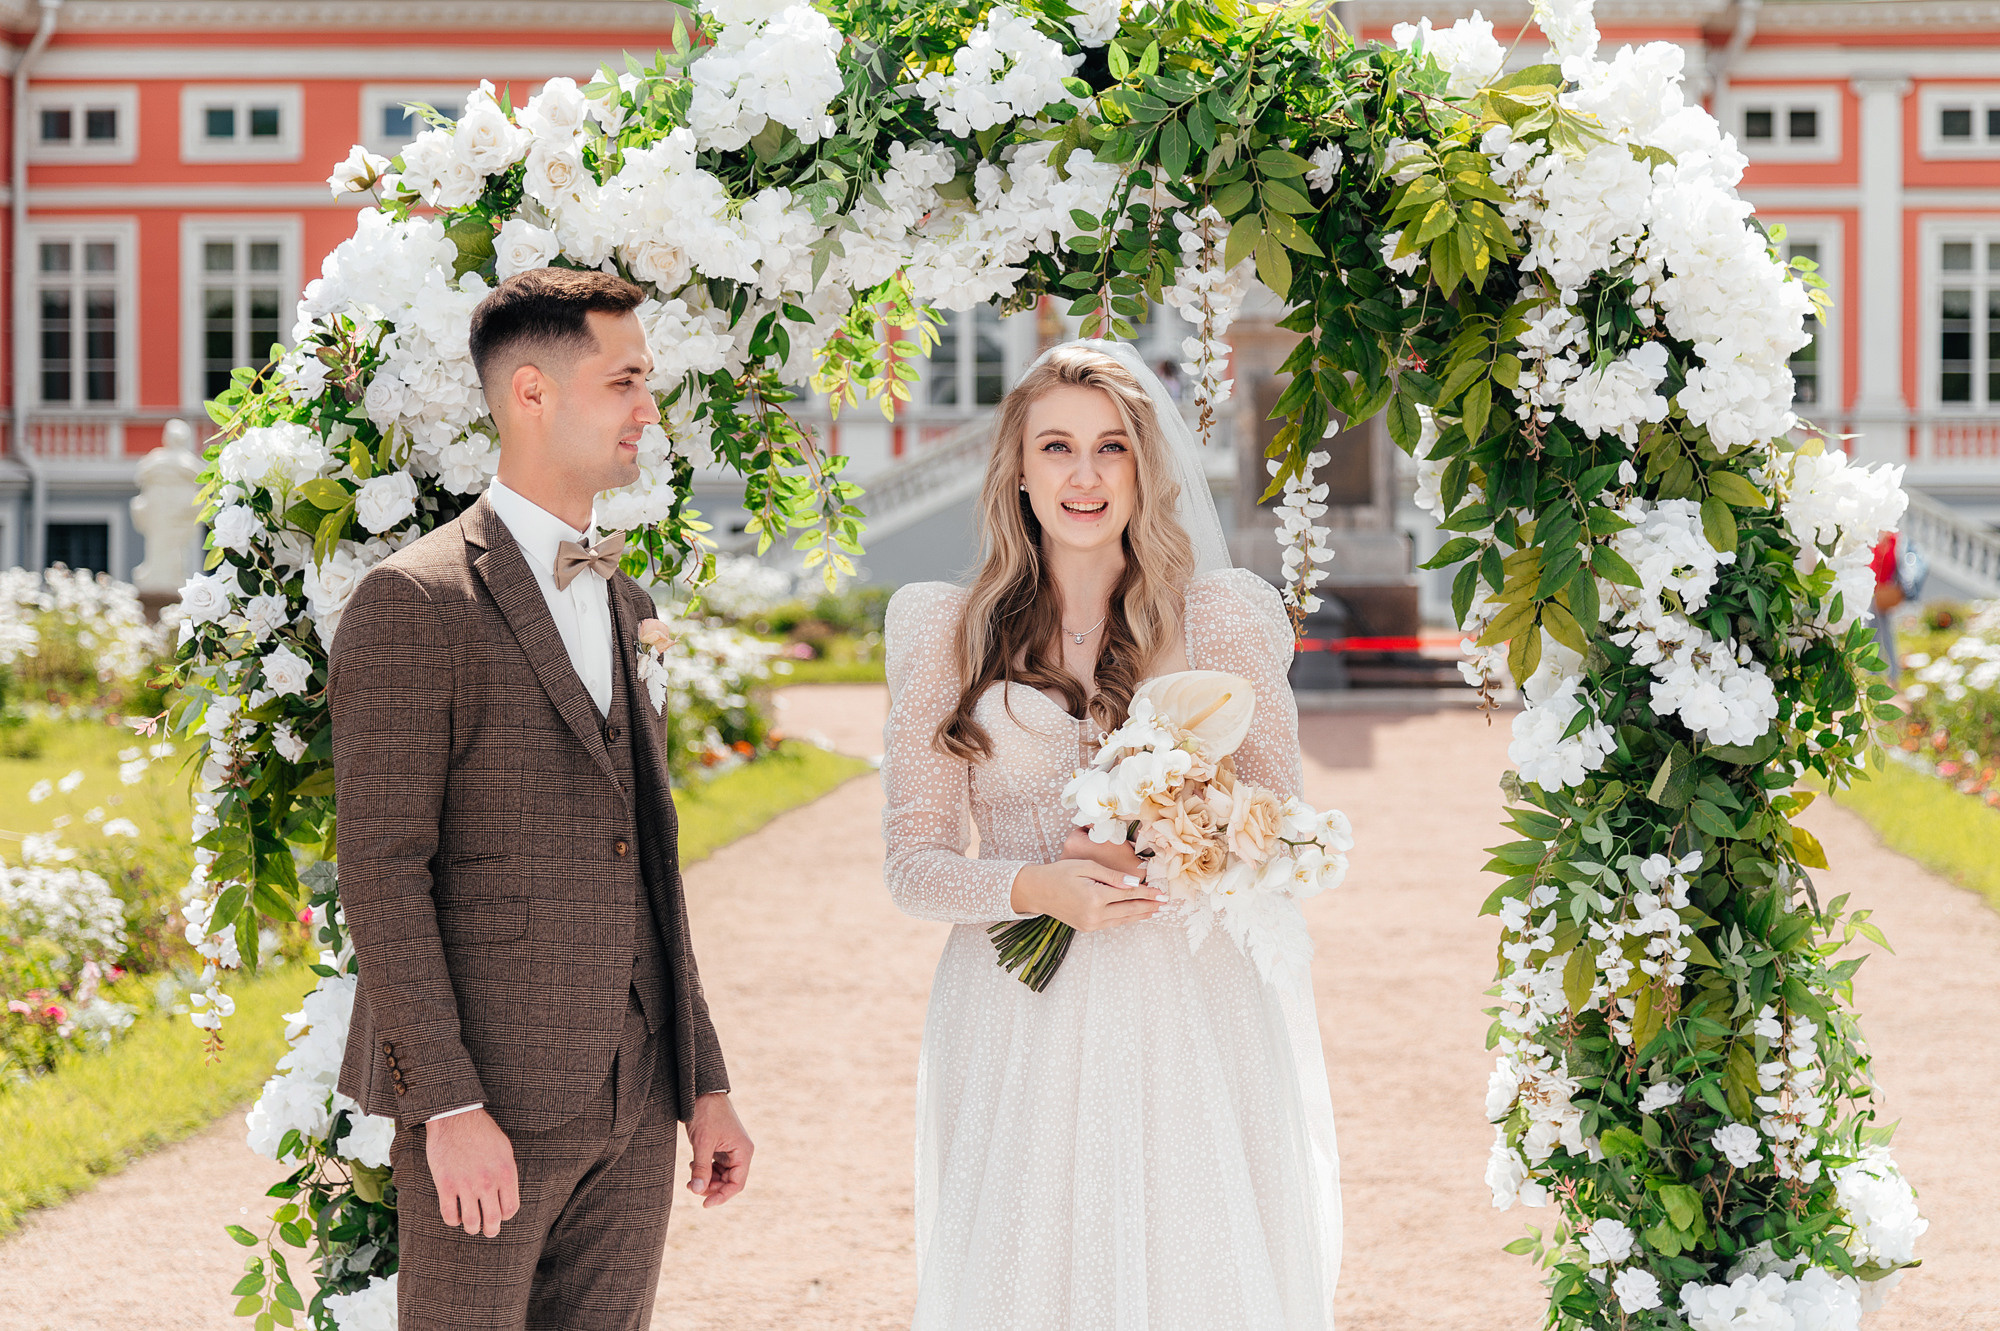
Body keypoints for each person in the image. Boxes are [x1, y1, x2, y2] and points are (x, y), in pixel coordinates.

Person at [880, 340, 1342, 1328]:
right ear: (1017, 468)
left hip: (1186, 1003)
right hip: (1017, 1010)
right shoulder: (946, 631)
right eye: (1055, 446)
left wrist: (1176, 834)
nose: (1082, 476)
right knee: (1028, 1274)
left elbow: (1281, 829)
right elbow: (912, 864)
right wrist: (1036, 888)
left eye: (1111, 447)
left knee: (1189, 1271)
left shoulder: (1219, 619)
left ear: (1146, 465)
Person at [328, 267, 752, 1330]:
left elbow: (649, 857)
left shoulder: (629, 600)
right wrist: (448, 1104)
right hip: (491, 1102)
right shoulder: (412, 600)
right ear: (532, 392)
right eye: (625, 381)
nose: (648, 409)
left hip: (635, 1096)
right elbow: (381, 871)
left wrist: (702, 1079)